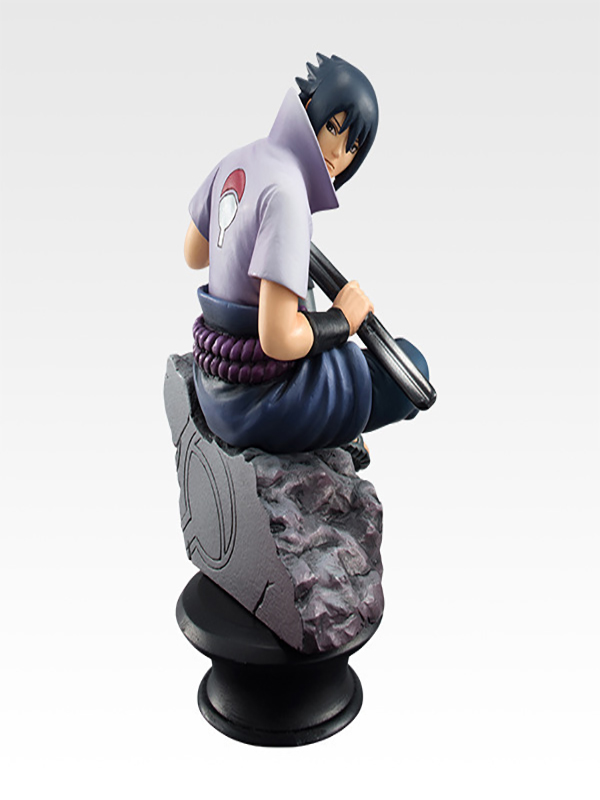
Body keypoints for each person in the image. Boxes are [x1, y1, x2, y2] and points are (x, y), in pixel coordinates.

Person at [184, 54, 428, 456]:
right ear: (310, 106)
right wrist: (342, 319)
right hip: (258, 402)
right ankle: (334, 436)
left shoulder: (238, 158)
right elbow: (278, 339)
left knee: (310, 301)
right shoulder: (288, 195)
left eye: (353, 146)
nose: (338, 154)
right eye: (334, 128)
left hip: (212, 379)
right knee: (412, 367)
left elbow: (194, 253)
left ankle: (334, 428)